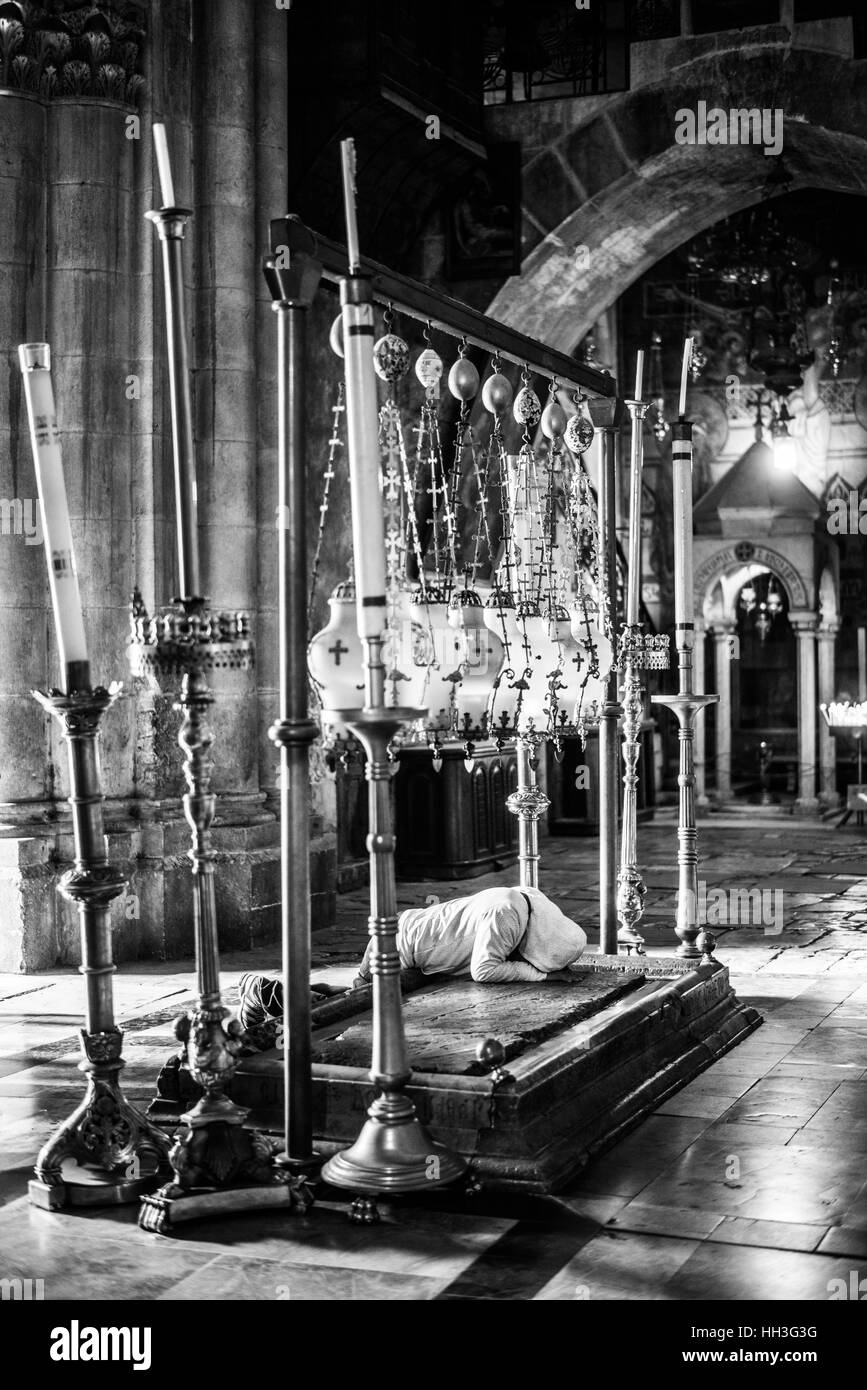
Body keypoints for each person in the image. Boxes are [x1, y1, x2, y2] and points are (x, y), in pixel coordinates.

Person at [238, 886, 586, 1039]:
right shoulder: (508, 917)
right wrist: (538, 977)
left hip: (408, 939)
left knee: (353, 998)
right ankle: (262, 992)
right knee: (352, 1003)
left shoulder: (527, 899)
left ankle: (270, 995)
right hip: (398, 945)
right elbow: (484, 970)